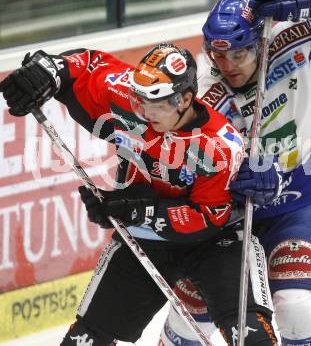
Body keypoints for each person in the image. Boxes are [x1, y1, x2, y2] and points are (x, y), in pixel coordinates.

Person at [0, 43, 279, 345]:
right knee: (86, 338)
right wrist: (49, 70)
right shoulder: (131, 99)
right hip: (146, 240)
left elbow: (207, 217)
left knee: (252, 335)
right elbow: (85, 65)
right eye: (139, 101)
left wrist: (138, 210)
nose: (144, 113)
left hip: (216, 242)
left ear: (185, 99)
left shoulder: (220, 146)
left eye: (156, 105)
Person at [158, 0, 311, 346]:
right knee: (189, 310)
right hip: (226, 223)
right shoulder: (201, 93)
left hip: (297, 210)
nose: (227, 65)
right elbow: (177, 164)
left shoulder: (300, 50)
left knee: (298, 307)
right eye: (218, 54)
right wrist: (228, 183)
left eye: (238, 53)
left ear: (259, 42)